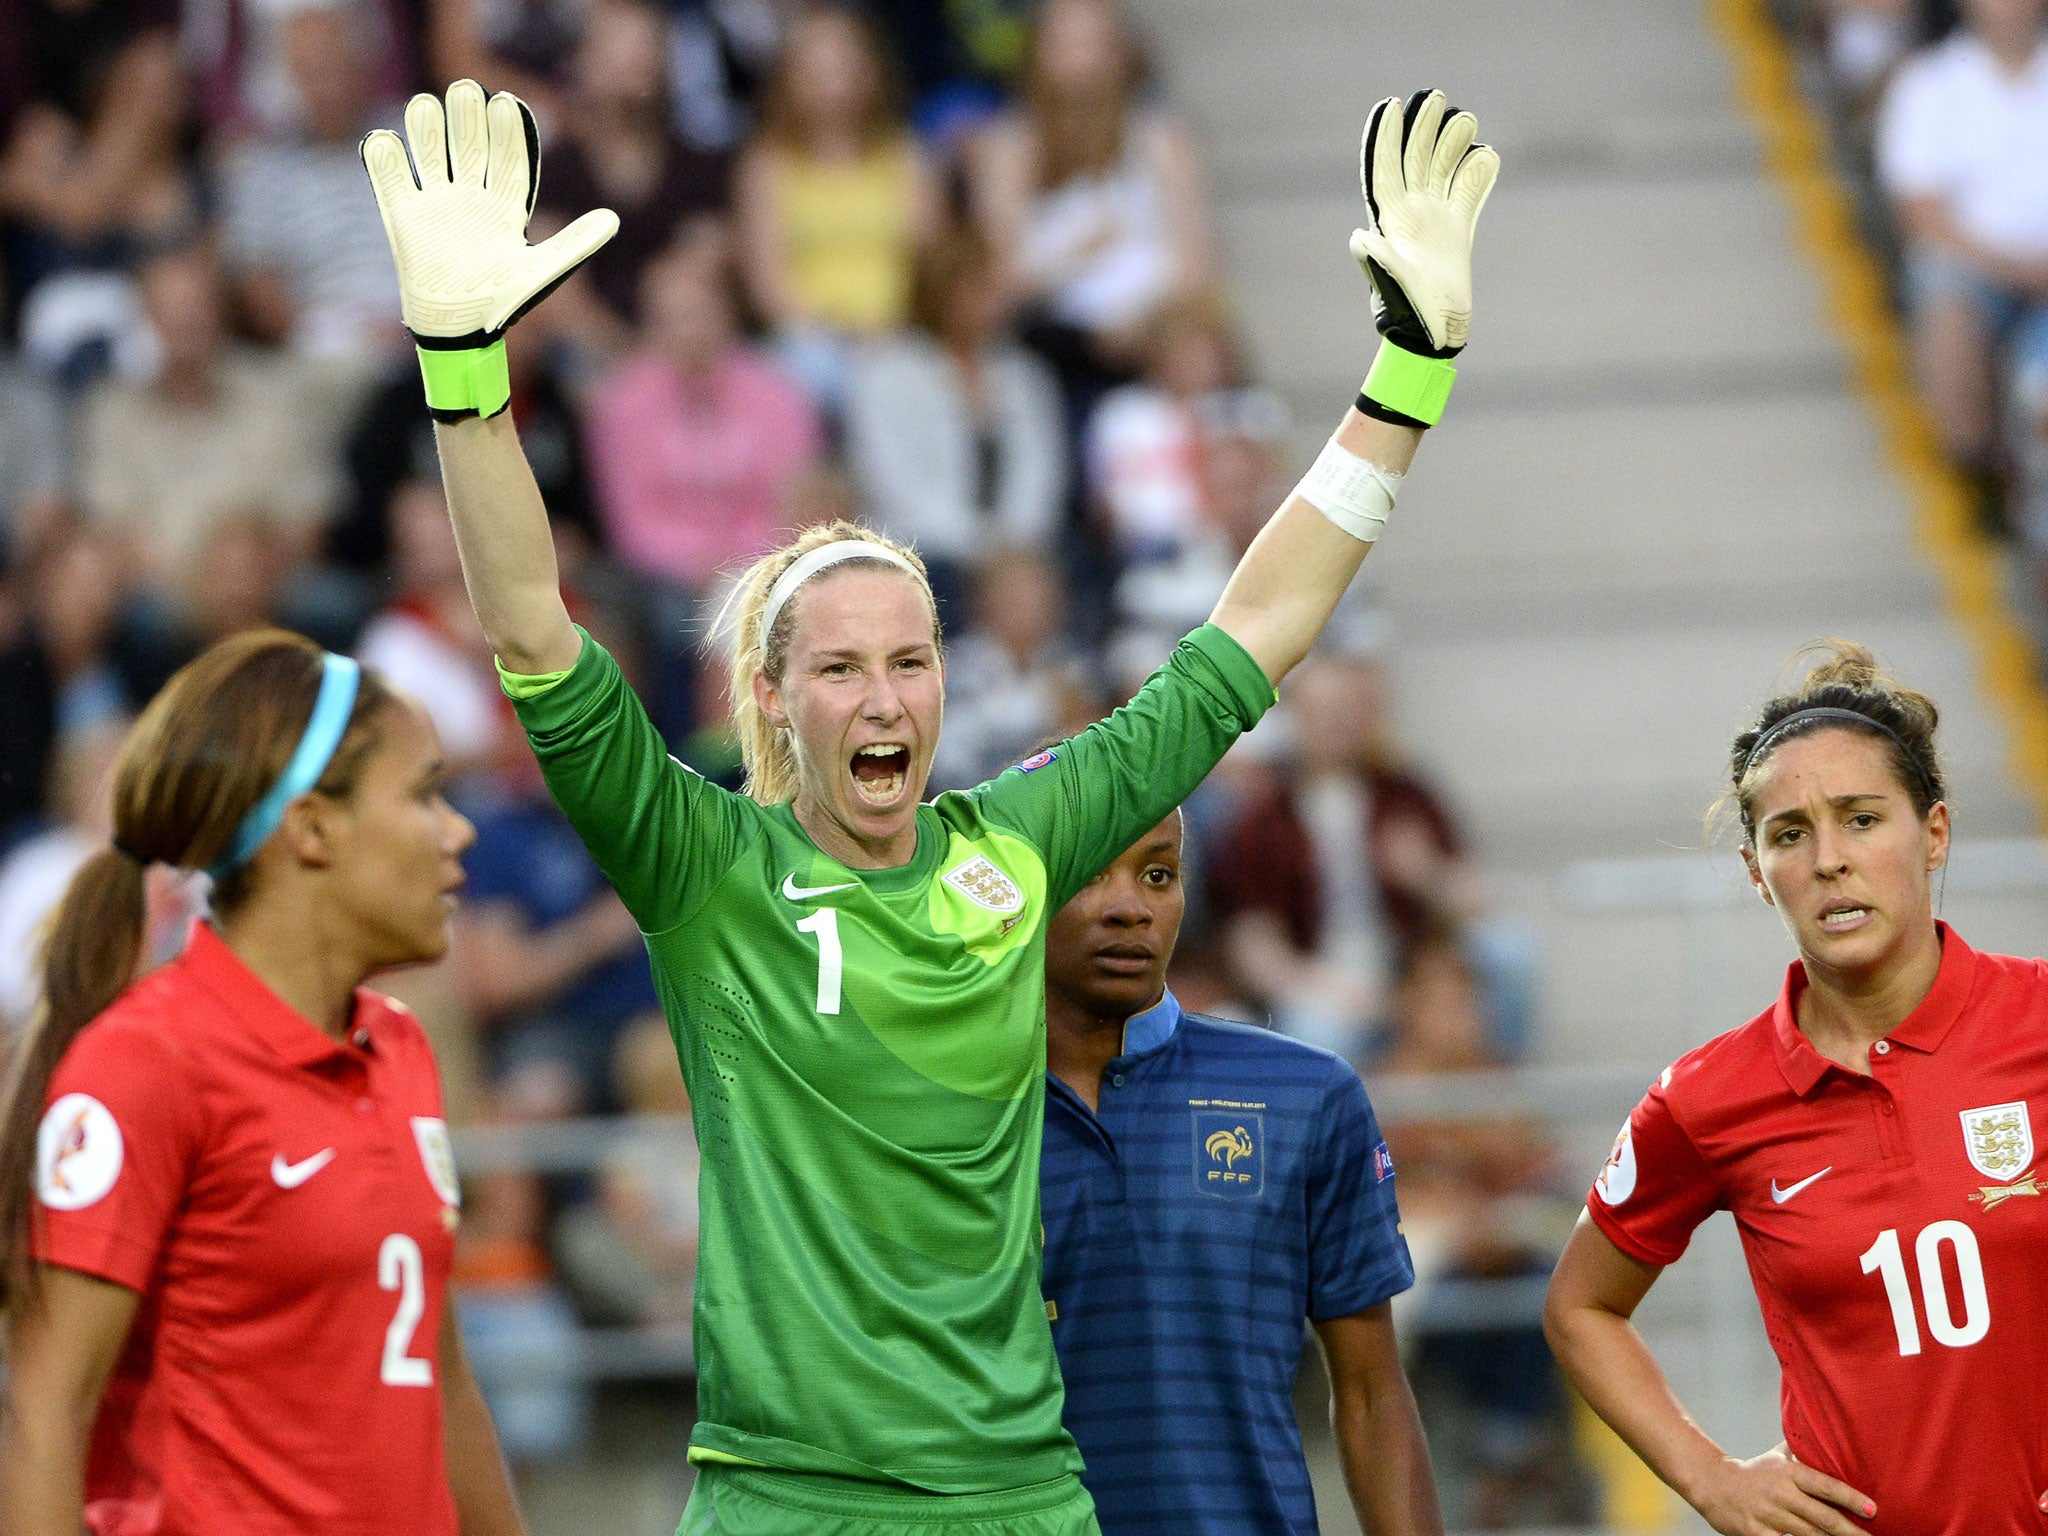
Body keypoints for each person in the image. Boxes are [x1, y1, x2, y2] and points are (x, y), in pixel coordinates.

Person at [361, 78, 1497, 1534]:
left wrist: (1406, 378)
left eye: (912, 660)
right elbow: (528, 626)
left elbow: (1252, 637)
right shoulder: (706, 867)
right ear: (772, 701)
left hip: (1017, 1502)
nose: (887, 698)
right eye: (840, 669)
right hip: (786, 1505)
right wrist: (465, 367)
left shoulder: (1015, 845)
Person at [0, 629, 525, 1536]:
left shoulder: (400, 1046)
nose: (459, 829)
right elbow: (43, 1419)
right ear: (313, 827)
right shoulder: (146, 1064)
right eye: (425, 793)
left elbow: (440, 1381)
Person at [1544, 641, 2048, 1536]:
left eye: (1861, 818)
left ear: (1933, 834)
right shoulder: (1706, 1098)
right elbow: (1581, 1308)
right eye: (1789, 834)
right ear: (1755, 871)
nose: (1828, 860)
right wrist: (1710, 1478)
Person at [1039, 808, 1441, 1536]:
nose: (1131, 907)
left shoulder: (1303, 1094)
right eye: (1090, 873)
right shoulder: (946, 1113)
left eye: (1158, 874)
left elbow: (1371, 1391)